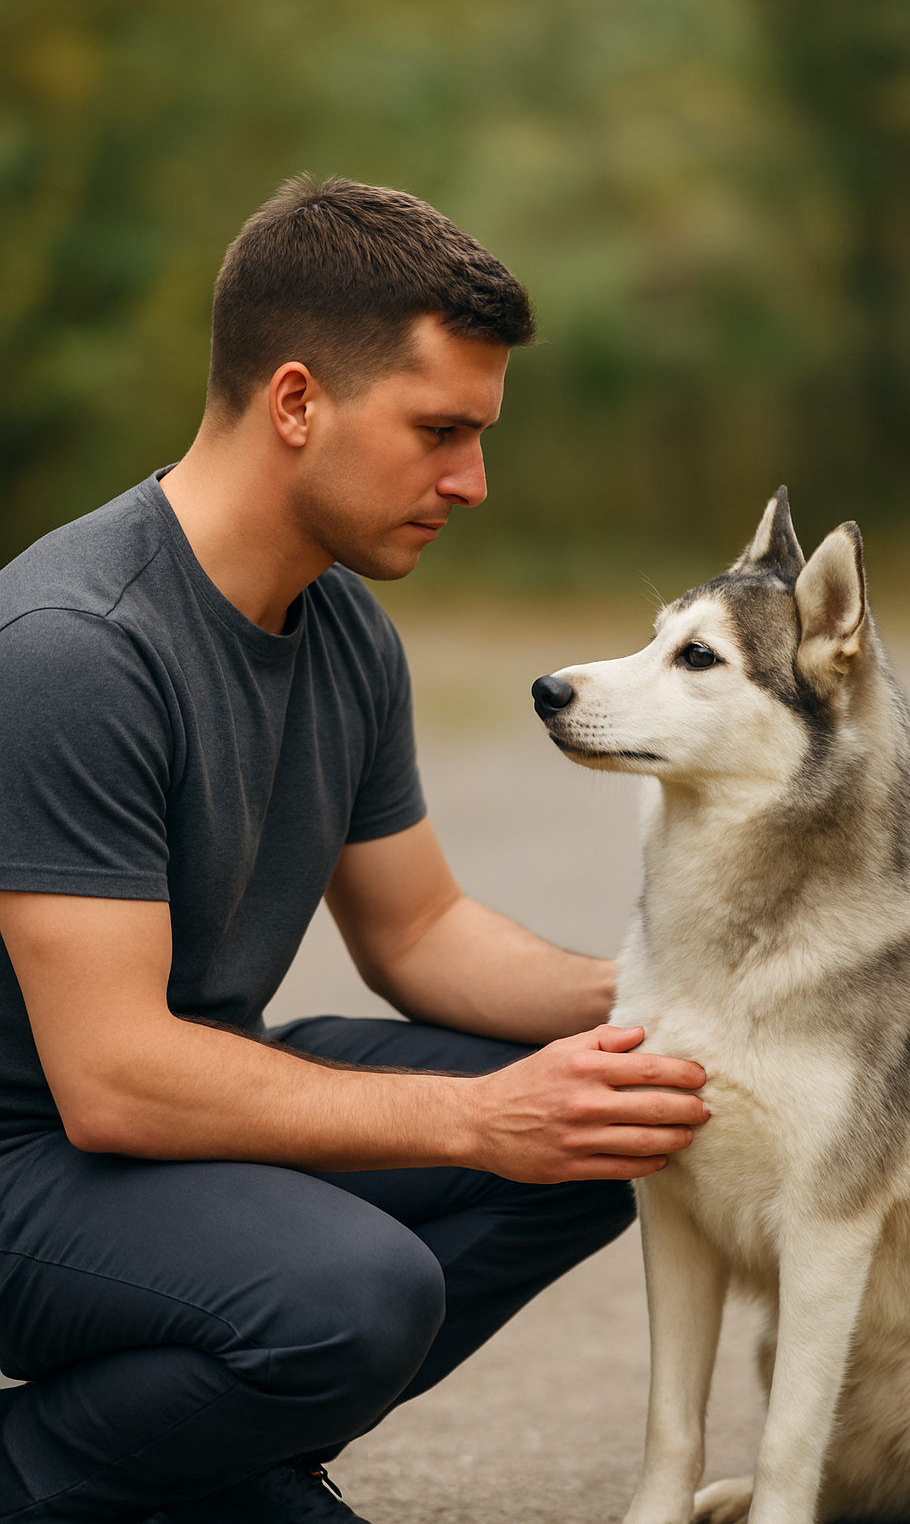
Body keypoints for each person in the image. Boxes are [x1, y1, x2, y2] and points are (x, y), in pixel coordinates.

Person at [0, 176, 709, 1524]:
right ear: (295, 403)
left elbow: (420, 932)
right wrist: (483, 1121)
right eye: (442, 430)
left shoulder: (341, 629)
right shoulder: (72, 650)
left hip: (174, 1111)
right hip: (33, 1161)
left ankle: (213, 1464)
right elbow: (111, 1082)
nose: (475, 481)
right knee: (355, 1295)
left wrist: (692, 989)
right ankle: (39, 1477)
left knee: (620, 1112)